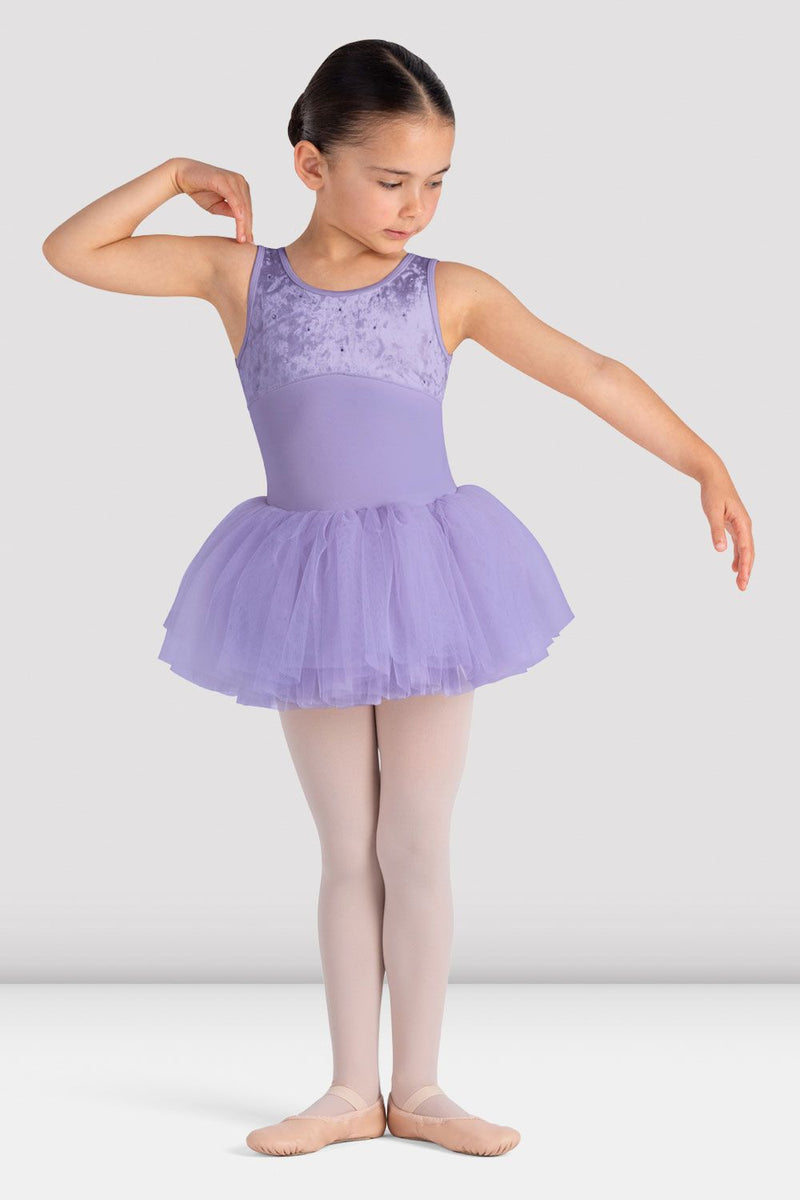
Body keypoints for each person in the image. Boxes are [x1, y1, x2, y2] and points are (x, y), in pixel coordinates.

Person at [41, 38, 754, 1158]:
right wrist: (177, 173)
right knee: (345, 845)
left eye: (434, 182)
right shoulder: (242, 278)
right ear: (310, 164)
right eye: (389, 180)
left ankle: (418, 1086)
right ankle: (346, 1089)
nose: (414, 207)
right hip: (305, 586)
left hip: (429, 579)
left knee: (416, 838)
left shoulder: (448, 291)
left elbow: (589, 372)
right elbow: (70, 250)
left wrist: (702, 461)